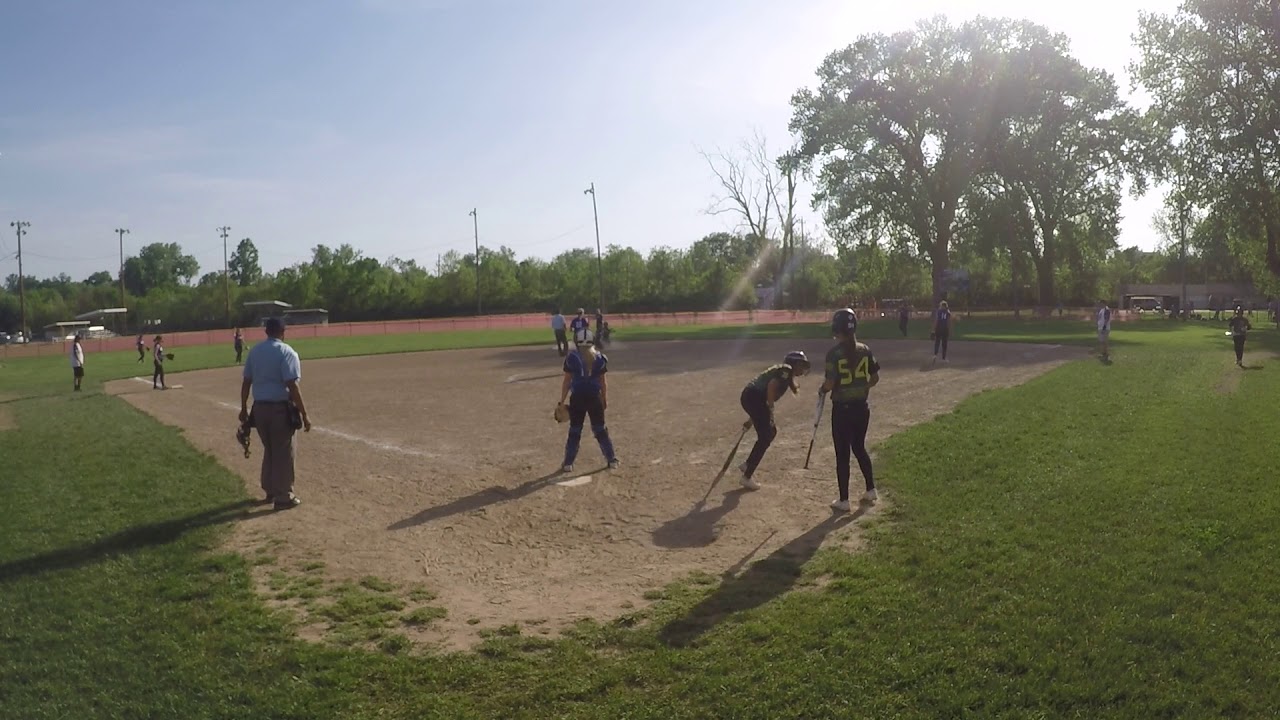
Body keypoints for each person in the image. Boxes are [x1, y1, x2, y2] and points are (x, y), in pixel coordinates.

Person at [240, 317, 312, 510]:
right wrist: (304, 414)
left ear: (266, 331)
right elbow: (292, 384)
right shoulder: (286, 352)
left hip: (260, 409)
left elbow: (246, 382)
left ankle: (270, 489)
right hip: (280, 408)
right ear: (283, 332)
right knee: (284, 452)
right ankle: (284, 496)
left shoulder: (255, 352)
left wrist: (243, 408)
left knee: (270, 449)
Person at [819, 308, 880, 512]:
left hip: (842, 410)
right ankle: (871, 489)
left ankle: (844, 500)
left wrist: (822, 390)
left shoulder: (834, 354)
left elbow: (830, 382)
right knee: (859, 447)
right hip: (862, 408)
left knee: (842, 454)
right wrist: (862, 388)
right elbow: (875, 378)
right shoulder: (865, 349)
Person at [737, 350, 811, 491]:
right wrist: (770, 408)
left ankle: (748, 464)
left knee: (769, 432)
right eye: (801, 364)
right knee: (767, 435)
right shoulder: (786, 370)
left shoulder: (785, 373)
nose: (802, 368)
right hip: (754, 398)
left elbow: (761, 397)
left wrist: (752, 420)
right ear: (793, 364)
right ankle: (747, 476)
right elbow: (770, 387)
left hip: (751, 397)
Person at [556, 338, 618, 473]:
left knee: (575, 431)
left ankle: (568, 463)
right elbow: (603, 382)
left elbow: (567, 381)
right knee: (600, 429)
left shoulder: (572, 357)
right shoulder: (599, 358)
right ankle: (611, 460)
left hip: (577, 398)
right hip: (594, 398)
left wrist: (562, 400)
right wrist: (604, 398)